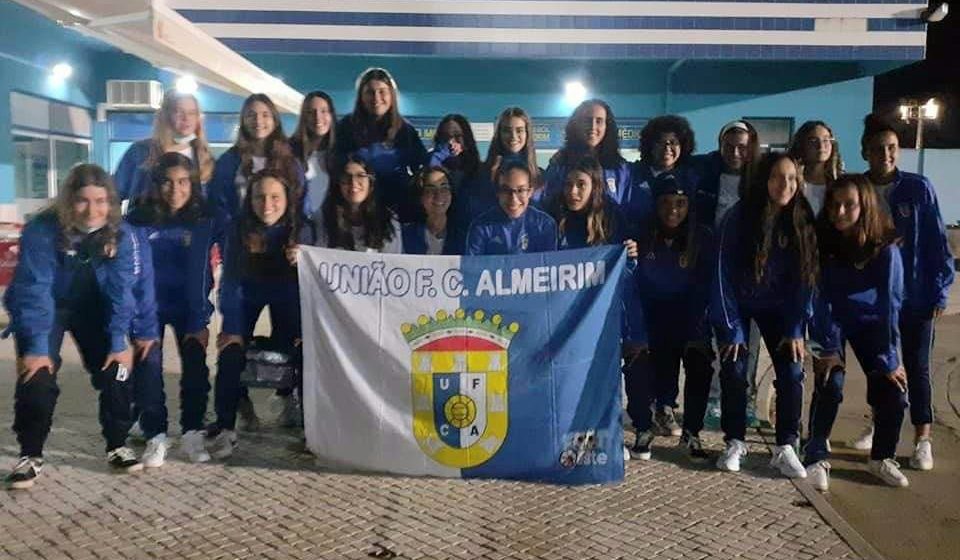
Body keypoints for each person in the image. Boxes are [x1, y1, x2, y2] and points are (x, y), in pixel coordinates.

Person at [4, 164, 141, 489]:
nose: (92, 210)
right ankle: (30, 455)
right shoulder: (42, 229)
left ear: (111, 203)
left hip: (93, 309)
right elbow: (34, 289)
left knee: (117, 369)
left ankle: (118, 443)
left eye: (100, 201)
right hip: (47, 308)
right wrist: (37, 348)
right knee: (36, 373)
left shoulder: (122, 235)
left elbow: (122, 291)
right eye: (82, 201)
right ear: (69, 201)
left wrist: (120, 339)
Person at [855, 114, 954, 470]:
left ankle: (922, 438)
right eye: (879, 148)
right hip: (874, 298)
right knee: (879, 365)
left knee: (917, 366)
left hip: (915, 297)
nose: (886, 154)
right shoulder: (859, 188)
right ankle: (878, 424)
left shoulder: (917, 187)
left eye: (893, 148)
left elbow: (937, 242)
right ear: (866, 151)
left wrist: (940, 291)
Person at [711, 152, 818, 478]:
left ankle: (786, 445)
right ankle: (735, 441)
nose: (784, 185)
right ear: (763, 180)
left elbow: (807, 278)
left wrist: (797, 327)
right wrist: (731, 328)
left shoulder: (802, 219)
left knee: (792, 370)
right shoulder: (738, 217)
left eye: (790, 178)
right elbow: (721, 274)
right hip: (739, 307)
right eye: (776, 177)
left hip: (780, 309)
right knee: (734, 367)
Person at [805, 174, 909, 490]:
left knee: (894, 389)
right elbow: (818, 297)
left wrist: (889, 358)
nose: (839, 212)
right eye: (834, 205)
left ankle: (882, 458)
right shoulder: (821, 243)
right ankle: (815, 454)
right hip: (832, 323)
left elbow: (889, 305)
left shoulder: (885, 248)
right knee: (830, 383)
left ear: (864, 205)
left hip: (870, 325)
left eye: (848, 205)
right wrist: (827, 349)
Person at [208, 170, 316, 459]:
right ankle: (226, 425)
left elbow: (316, 281)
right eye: (260, 197)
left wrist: (304, 259)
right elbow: (230, 282)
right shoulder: (237, 229)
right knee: (231, 351)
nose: (267, 204)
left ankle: (311, 428)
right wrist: (231, 327)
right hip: (248, 294)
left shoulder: (302, 228)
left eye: (275, 197)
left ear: (287, 199)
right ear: (250, 200)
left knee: (304, 352)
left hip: (288, 298)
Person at [125, 152, 225, 463]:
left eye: (183, 182)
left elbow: (237, 246)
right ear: (156, 185)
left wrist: (203, 316)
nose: (175, 189)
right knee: (148, 368)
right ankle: (155, 434)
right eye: (167, 182)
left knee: (195, 369)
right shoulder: (138, 218)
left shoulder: (206, 217)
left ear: (193, 184)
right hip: (147, 309)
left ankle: (192, 432)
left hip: (190, 308)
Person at [623, 174, 716, 461]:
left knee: (699, 357)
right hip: (650, 316)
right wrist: (629, 257)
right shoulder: (640, 234)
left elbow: (705, 289)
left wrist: (697, 332)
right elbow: (630, 285)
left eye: (680, 203)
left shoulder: (701, 237)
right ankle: (642, 426)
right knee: (637, 353)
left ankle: (692, 432)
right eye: (665, 202)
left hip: (688, 316)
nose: (672, 210)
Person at [691, 121, 762, 429]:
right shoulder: (707, 174)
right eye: (729, 146)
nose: (735, 152)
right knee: (719, 337)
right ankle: (715, 400)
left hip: (747, 272)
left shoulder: (759, 181)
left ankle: (745, 400)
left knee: (748, 341)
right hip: (711, 268)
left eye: (742, 146)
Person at [335, 68, 428, 222]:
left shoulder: (404, 130)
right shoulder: (346, 127)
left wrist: (444, 152)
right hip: (357, 212)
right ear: (361, 97)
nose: (376, 98)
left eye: (382, 91)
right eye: (370, 92)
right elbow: (335, 166)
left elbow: (422, 166)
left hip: (397, 211)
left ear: (391, 95)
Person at [208, 94, 306, 221]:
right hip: (242, 235)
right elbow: (218, 203)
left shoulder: (290, 160)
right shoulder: (229, 161)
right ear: (243, 121)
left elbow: (301, 201)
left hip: (284, 235)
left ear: (275, 120)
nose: (258, 121)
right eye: (251, 115)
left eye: (265, 115)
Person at [113, 90, 215, 206]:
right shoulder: (140, 152)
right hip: (145, 223)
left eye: (191, 113)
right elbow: (114, 196)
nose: (186, 118)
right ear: (165, 116)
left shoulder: (205, 158)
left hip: (191, 223)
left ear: (198, 118)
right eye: (179, 112)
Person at [543, 100, 640, 219]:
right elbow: (549, 204)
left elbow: (629, 209)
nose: (593, 126)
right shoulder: (560, 164)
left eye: (599, 121)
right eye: (587, 121)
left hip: (612, 235)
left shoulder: (621, 169)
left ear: (607, 126)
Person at [461, 107, 541, 220]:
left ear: (527, 134)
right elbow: (474, 210)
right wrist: (490, 183)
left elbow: (542, 211)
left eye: (519, 130)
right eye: (507, 130)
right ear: (499, 134)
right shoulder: (483, 171)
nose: (513, 136)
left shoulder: (538, 174)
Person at [465, 160, 557, 255]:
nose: (513, 198)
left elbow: (549, 265)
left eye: (520, 190)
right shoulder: (481, 227)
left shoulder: (544, 224)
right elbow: (473, 266)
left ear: (530, 192)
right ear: (497, 192)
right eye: (506, 190)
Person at [316, 154, 403, 253]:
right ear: (338, 185)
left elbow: (393, 262)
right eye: (346, 177)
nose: (353, 182)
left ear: (371, 184)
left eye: (360, 176)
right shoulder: (322, 218)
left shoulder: (388, 220)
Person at [633, 115, 699, 226]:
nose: (667, 148)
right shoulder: (633, 174)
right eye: (660, 142)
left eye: (673, 142)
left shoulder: (690, 178)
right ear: (650, 145)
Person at [289, 91, 337, 220]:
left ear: (332, 115)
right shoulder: (289, 152)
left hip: (334, 228)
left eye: (324, 111)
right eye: (311, 112)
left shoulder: (342, 152)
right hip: (300, 229)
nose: (318, 117)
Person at [788, 120, 843, 216]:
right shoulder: (790, 182)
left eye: (826, 140)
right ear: (802, 144)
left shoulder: (840, 183)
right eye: (813, 140)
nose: (821, 146)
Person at [402, 166, 460, 255]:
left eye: (444, 188)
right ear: (420, 196)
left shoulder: (464, 236)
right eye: (430, 190)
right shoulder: (404, 235)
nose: (438, 195)